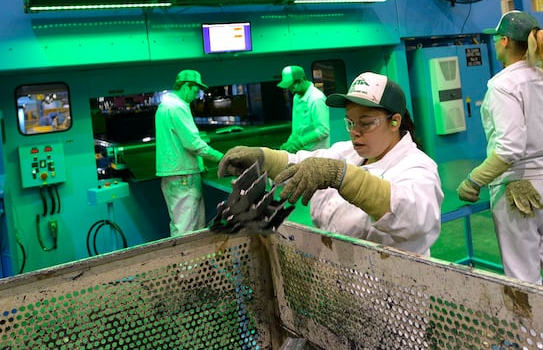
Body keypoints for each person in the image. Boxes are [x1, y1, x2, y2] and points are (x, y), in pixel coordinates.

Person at [219, 72, 444, 255]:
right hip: (341, 281)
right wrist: (264, 158)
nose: (355, 132)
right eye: (350, 122)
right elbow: (300, 163)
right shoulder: (345, 152)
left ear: (395, 121)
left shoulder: (418, 168)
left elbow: (413, 217)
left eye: (366, 123)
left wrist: (345, 178)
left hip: (393, 294)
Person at [456, 10, 543, 298]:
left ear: (505, 41)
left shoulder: (502, 85)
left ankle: (534, 341)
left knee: (523, 280)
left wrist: (474, 181)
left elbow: (510, 148)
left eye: (497, 39)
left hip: (518, 188)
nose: (495, 44)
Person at [155, 69, 224, 236]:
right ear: (186, 86)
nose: (196, 95)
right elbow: (193, 143)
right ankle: (185, 262)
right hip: (183, 177)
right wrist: (223, 158)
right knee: (187, 230)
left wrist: (199, 164)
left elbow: (181, 140)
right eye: (195, 90)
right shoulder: (177, 107)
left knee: (184, 226)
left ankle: (190, 262)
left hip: (177, 175)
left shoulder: (164, 107)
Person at [276, 65, 330, 152]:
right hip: (302, 152)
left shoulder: (316, 99)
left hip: (316, 153)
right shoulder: (297, 97)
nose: (292, 91)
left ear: (301, 81)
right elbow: (296, 128)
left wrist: (300, 143)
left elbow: (323, 130)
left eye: (293, 87)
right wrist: (289, 143)